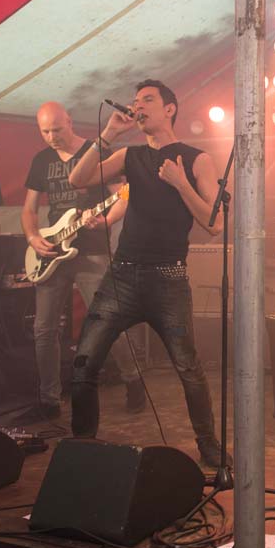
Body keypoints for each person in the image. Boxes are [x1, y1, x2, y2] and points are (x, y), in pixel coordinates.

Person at [68, 80, 225, 468]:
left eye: (148, 100)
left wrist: (181, 183)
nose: (138, 106)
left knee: (188, 368)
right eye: (136, 101)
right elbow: (78, 179)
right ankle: (81, 447)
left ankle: (208, 445)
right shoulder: (130, 155)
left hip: (168, 280)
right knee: (84, 364)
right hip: (121, 277)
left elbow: (215, 223)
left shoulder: (196, 159)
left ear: (170, 109)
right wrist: (108, 133)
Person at [14, 102, 145, 425]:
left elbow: (123, 195)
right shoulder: (41, 160)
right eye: (45, 131)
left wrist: (106, 221)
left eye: (56, 130)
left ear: (69, 122)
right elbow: (29, 209)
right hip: (52, 251)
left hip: (91, 250)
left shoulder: (96, 152)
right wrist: (32, 237)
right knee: (44, 329)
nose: (51, 137)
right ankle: (49, 400)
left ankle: (132, 379)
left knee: (106, 321)